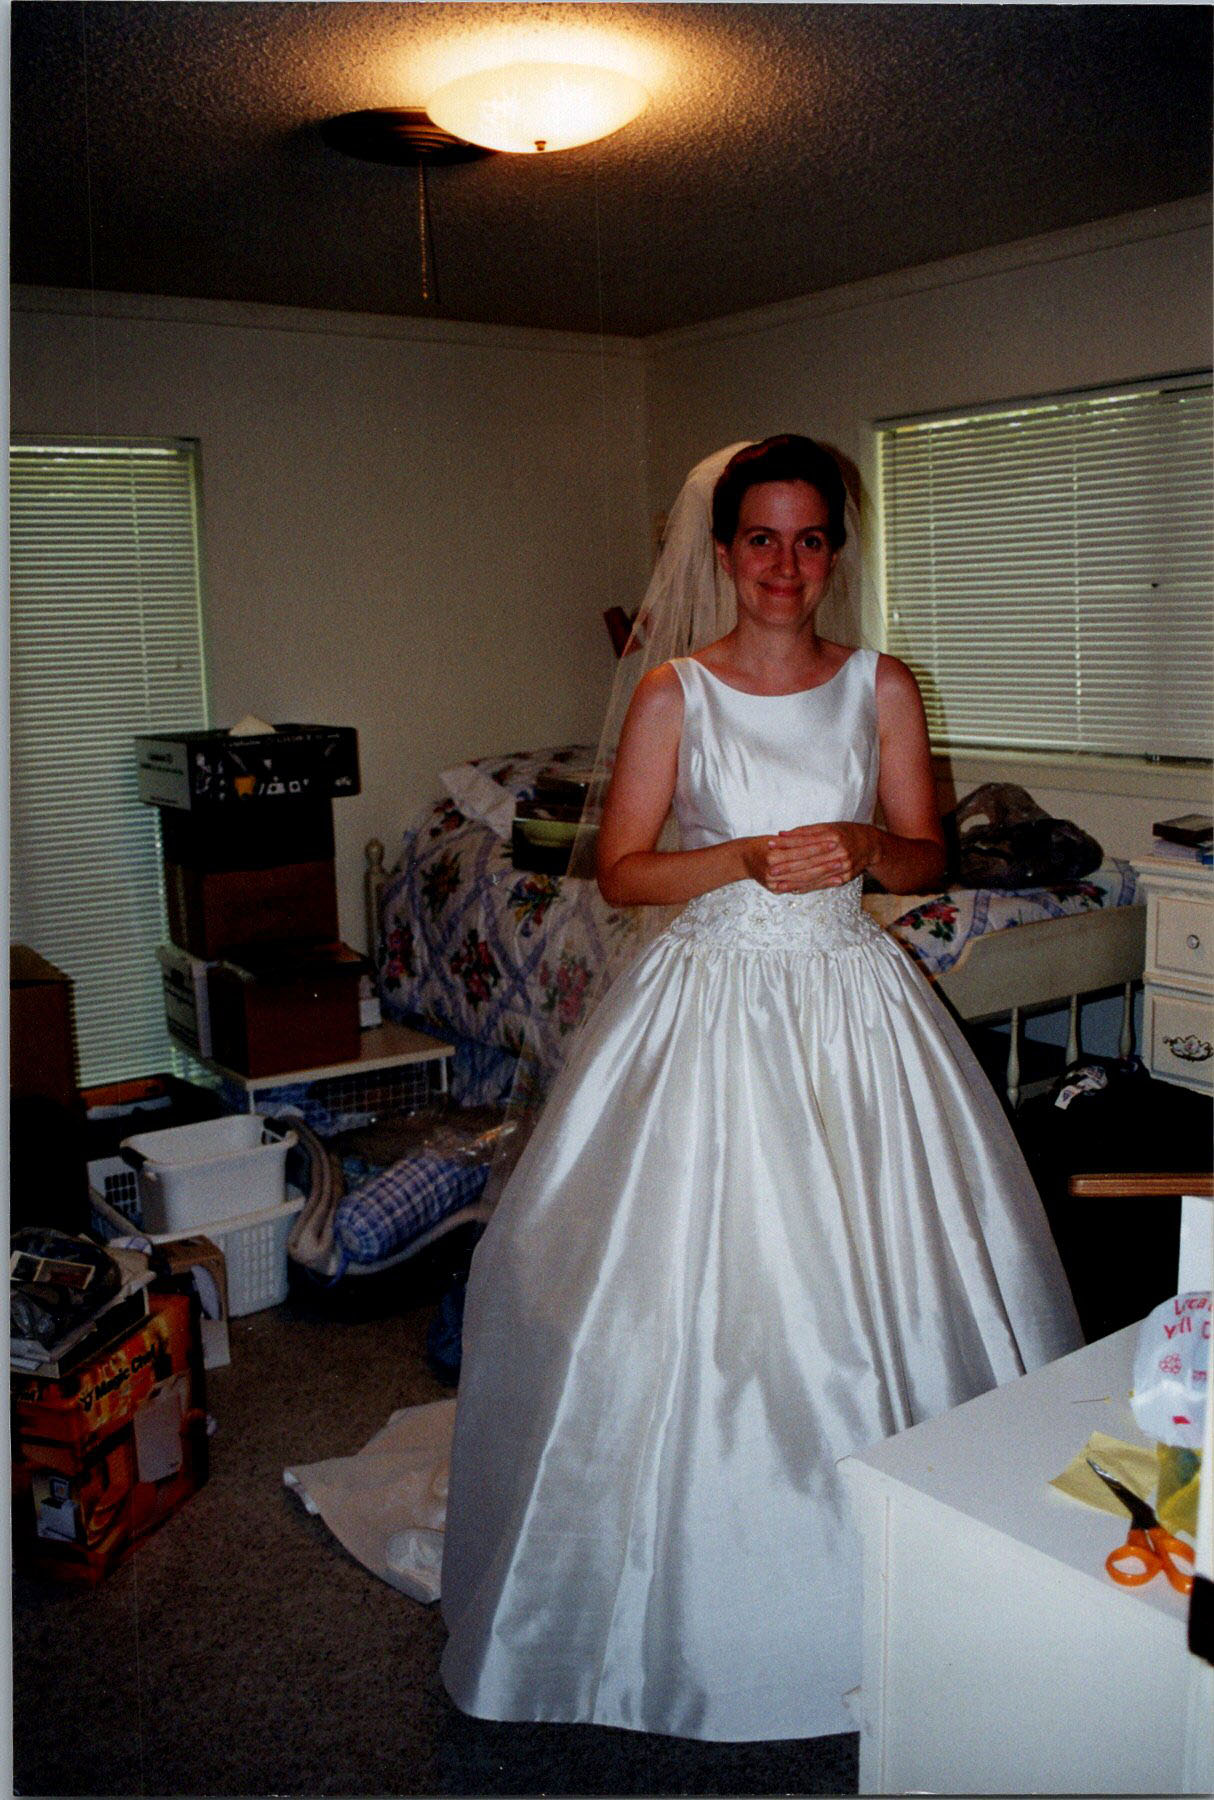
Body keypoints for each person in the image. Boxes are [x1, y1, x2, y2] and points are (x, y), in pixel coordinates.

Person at [438, 435, 1081, 1743]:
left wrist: (861, 842)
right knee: (692, 1287)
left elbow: (922, 858)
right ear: (724, 551)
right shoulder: (673, 691)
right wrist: (738, 858)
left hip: (851, 998)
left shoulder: (881, 685)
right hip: (715, 996)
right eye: (761, 540)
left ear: (834, 551)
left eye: (810, 540)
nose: (786, 566)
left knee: (895, 1272)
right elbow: (622, 870)